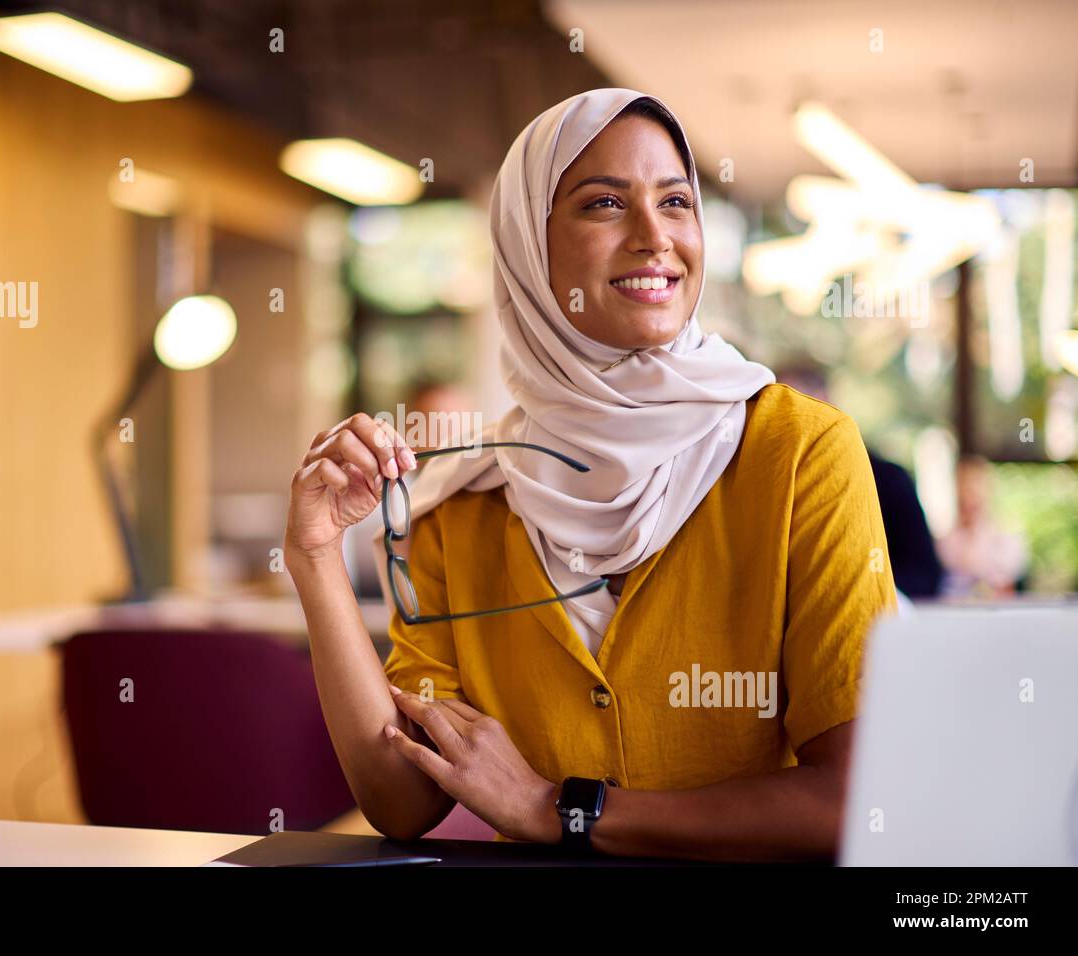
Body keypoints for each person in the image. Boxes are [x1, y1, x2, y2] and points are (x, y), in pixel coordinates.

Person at [284, 89, 898, 862]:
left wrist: (563, 809)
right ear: (526, 248)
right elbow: (403, 802)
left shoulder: (801, 453)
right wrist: (313, 557)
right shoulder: (455, 505)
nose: (654, 237)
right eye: (604, 204)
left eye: (676, 202)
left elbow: (858, 801)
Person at [777, 366, 944, 599]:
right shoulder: (774, 483)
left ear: (825, 402)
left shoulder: (887, 479)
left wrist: (860, 590)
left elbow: (924, 573)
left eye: (791, 408)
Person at [936, 454, 1029, 598]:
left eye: (974, 489)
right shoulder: (946, 541)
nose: (969, 498)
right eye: (964, 488)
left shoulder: (1007, 538)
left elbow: (1007, 585)